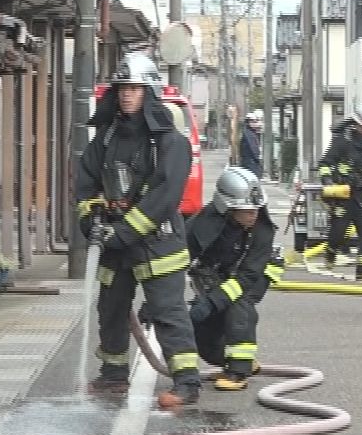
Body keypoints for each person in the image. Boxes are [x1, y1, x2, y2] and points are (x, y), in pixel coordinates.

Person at [75, 52, 202, 408]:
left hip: (158, 242)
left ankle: (187, 382)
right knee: (111, 309)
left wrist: (125, 232)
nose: (127, 94)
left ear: (150, 91)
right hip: (115, 243)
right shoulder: (105, 138)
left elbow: (165, 195)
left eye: (134, 88)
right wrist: (91, 219)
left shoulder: (170, 142)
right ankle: (113, 375)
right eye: (122, 88)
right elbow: (87, 184)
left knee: (167, 311)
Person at [188, 166, 284, 391]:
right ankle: (235, 360)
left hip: (255, 273)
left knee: (237, 306)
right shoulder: (204, 221)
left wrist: (213, 300)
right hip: (218, 274)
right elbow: (179, 255)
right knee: (203, 327)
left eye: (256, 209)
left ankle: (239, 371)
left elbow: (248, 276)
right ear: (228, 208)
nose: (254, 214)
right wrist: (160, 299)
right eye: (247, 210)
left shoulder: (262, 229)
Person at [314, 99, 362, 282]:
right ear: (357, 124)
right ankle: (331, 251)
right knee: (339, 231)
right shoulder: (342, 140)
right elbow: (325, 163)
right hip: (344, 194)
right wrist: (328, 181)